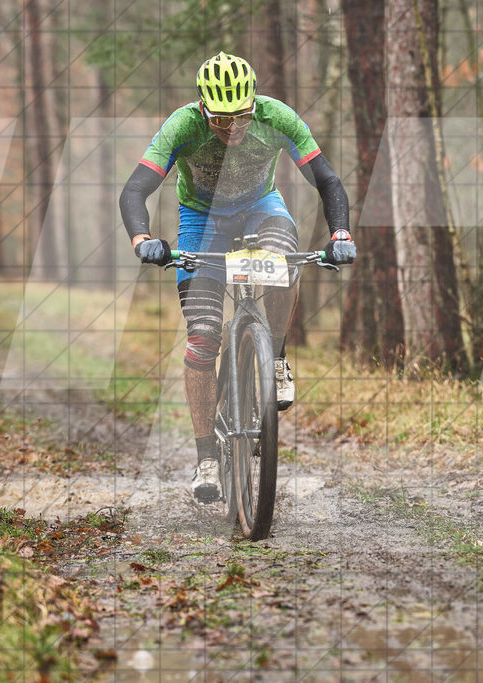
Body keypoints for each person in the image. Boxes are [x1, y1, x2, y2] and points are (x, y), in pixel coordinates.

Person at [119, 51, 356, 503]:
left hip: (260, 210)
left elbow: (326, 180)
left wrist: (340, 233)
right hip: (200, 222)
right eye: (220, 120)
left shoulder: (277, 117)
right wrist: (143, 239)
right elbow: (135, 189)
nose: (232, 129)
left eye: (241, 117)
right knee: (204, 336)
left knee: (287, 259)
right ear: (203, 109)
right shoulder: (181, 126)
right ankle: (207, 455)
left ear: (253, 104)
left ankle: (279, 358)